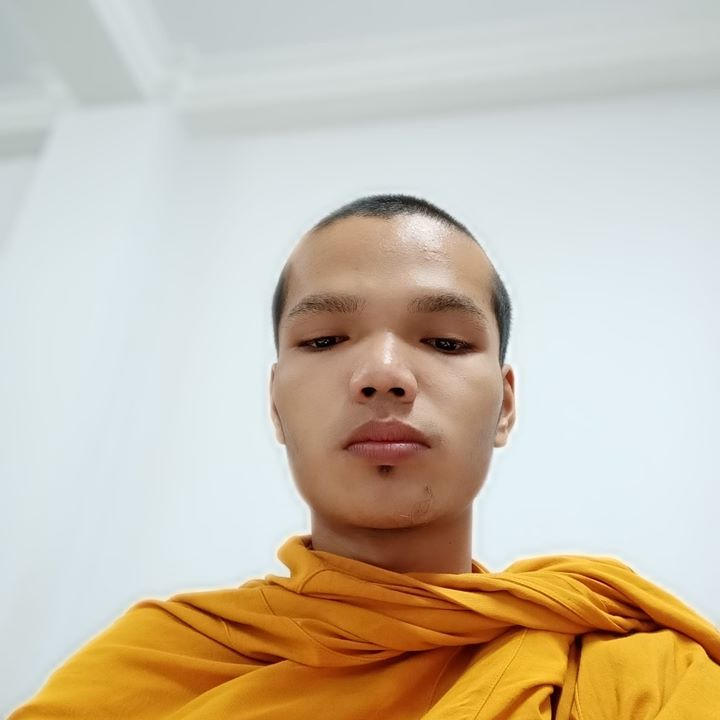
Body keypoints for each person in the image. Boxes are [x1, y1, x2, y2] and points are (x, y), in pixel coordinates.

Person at [10, 195, 720, 719]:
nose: (383, 374)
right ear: (275, 404)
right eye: (324, 340)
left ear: (505, 404)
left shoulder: (645, 674)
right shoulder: (160, 664)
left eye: (444, 342)